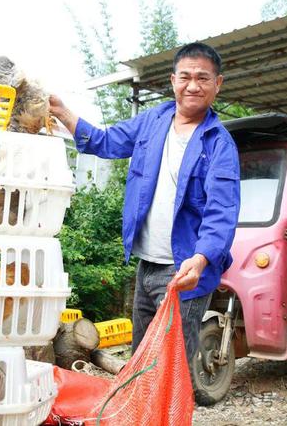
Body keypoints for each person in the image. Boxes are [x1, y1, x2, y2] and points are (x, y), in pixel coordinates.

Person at [50, 42, 240, 369]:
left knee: (170, 369)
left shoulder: (219, 144)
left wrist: (200, 260)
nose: (193, 86)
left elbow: (221, 213)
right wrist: (63, 111)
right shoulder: (154, 120)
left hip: (184, 273)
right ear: (173, 80)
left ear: (217, 84)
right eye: (185, 77)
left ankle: (176, 403)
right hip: (147, 266)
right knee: (141, 361)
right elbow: (105, 142)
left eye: (203, 78)